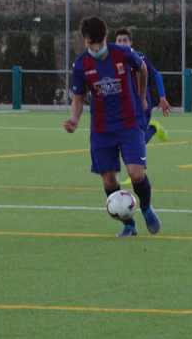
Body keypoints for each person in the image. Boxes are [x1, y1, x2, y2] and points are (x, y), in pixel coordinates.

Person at [64, 15, 161, 237]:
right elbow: (78, 99)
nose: (96, 47)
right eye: (91, 43)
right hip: (101, 128)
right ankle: (128, 225)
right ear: (84, 40)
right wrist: (75, 119)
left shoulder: (123, 53)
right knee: (109, 180)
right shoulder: (81, 65)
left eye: (99, 41)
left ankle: (145, 207)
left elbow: (143, 68)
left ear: (106, 36)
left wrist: (143, 96)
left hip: (129, 122)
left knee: (136, 174)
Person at [113, 27, 172, 144]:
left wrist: (162, 98)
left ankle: (154, 128)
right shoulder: (113, 59)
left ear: (131, 43)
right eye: (119, 41)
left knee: (139, 140)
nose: (122, 43)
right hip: (126, 102)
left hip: (143, 100)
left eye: (125, 40)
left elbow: (157, 76)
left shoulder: (139, 57)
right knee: (128, 137)